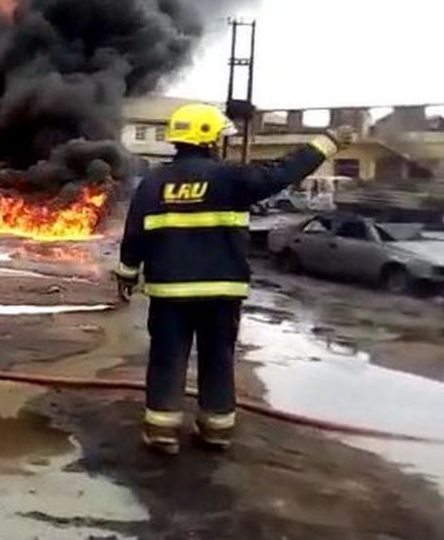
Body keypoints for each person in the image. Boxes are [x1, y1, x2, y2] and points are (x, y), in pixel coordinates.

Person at [115, 103, 353, 455]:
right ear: (209, 139)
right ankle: (216, 431)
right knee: (218, 359)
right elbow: (282, 172)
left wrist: (127, 273)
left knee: (167, 359)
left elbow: (135, 234)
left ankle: (161, 431)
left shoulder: (153, 183)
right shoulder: (232, 178)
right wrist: (327, 143)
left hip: (169, 293)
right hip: (221, 293)